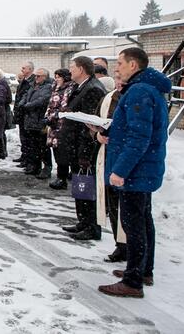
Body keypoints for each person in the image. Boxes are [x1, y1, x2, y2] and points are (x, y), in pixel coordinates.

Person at [98, 48, 171, 298]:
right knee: (143, 220)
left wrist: (120, 170)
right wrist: (109, 133)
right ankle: (143, 270)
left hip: (136, 171)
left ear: (133, 64)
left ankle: (133, 281)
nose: (116, 68)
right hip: (143, 168)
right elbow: (131, 128)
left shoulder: (140, 91)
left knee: (134, 225)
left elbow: (139, 137)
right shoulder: (145, 88)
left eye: (119, 63)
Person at [60, 56, 107, 241]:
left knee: (87, 188)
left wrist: (85, 153)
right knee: (81, 187)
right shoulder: (81, 86)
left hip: (84, 148)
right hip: (75, 145)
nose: (69, 71)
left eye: (72, 67)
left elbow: (90, 124)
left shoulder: (93, 89)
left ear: (81, 69)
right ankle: (83, 221)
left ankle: (91, 226)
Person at [89, 72, 127, 263]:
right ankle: (119, 245)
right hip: (107, 155)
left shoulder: (133, 99)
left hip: (125, 159)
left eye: (122, 79)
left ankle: (130, 246)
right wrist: (97, 135)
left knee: (126, 207)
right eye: (117, 79)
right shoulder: (108, 99)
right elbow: (96, 122)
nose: (119, 83)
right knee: (113, 205)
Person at [19, 68, 53, 176]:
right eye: (36, 75)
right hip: (30, 120)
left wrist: (28, 105)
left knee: (42, 146)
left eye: (39, 76)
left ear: (45, 77)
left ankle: (46, 168)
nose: (36, 78)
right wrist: (22, 103)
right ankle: (35, 166)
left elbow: (42, 100)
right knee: (32, 145)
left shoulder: (48, 87)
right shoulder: (33, 85)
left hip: (39, 120)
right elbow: (25, 96)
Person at [46, 69, 75, 190]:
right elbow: (51, 104)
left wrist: (53, 116)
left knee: (63, 153)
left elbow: (64, 107)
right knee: (57, 151)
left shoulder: (69, 89)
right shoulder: (56, 88)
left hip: (62, 125)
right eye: (55, 76)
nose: (56, 79)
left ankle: (62, 178)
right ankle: (60, 176)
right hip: (53, 125)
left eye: (59, 77)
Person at [13, 61, 36, 166]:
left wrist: (22, 105)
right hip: (21, 112)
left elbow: (27, 96)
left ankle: (28, 159)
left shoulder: (32, 81)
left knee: (28, 138)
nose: (22, 70)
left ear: (30, 69)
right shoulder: (24, 80)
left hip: (27, 112)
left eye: (24, 68)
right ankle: (24, 156)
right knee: (23, 136)